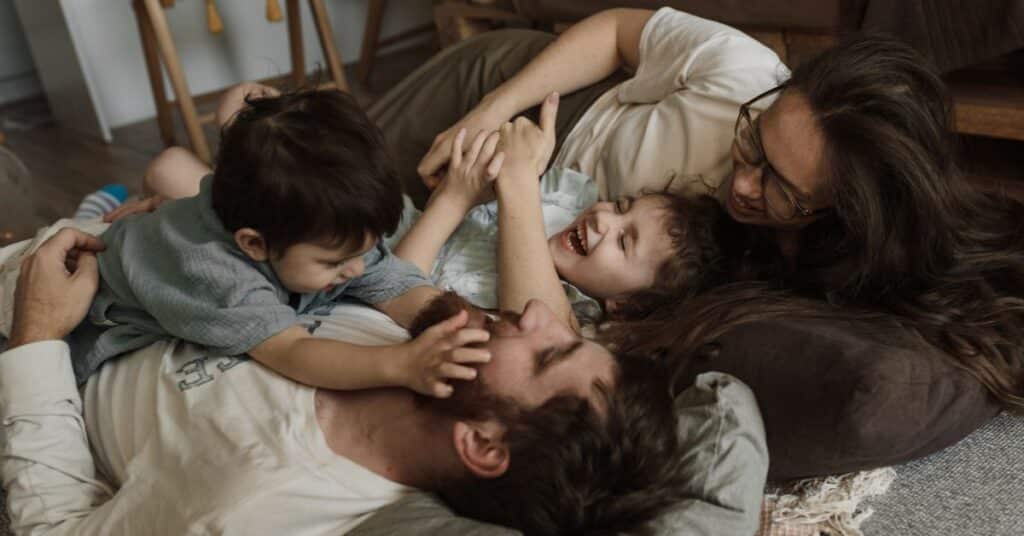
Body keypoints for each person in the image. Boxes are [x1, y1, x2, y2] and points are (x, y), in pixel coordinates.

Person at [0, 228, 769, 535]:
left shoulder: (252, 502)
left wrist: (36, 334)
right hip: (99, 253)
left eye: (545, 355)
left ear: (483, 445)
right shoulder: (432, 346)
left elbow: (50, 529)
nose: (538, 311)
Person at [64, 87, 490, 401]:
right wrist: (402, 364)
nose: (357, 269)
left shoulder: (325, 231)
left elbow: (397, 286)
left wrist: (463, 325)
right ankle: (93, 211)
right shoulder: (215, 271)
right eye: (334, 262)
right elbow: (294, 351)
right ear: (253, 244)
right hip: (92, 322)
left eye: (364, 251)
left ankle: (102, 205)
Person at [392, 93, 732, 329]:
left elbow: (392, 289)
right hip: (398, 213)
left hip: (385, 263)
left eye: (624, 242)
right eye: (620, 206)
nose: (604, 218)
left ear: (626, 306)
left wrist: (455, 198)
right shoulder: (568, 198)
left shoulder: (554, 318)